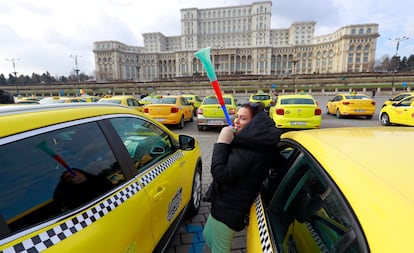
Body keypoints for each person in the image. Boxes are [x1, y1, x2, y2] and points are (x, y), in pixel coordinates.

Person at [203, 102, 281, 253]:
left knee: (219, 248)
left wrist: (222, 143)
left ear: (255, 124)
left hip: (228, 210)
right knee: (207, 235)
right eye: (236, 117)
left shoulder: (249, 150)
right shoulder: (253, 143)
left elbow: (220, 174)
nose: (236, 121)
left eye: (243, 118)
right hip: (223, 205)